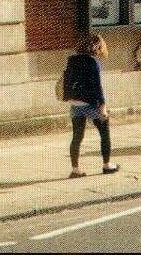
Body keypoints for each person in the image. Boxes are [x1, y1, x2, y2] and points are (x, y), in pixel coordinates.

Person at [60, 34, 117, 176]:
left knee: (77, 136)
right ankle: (107, 165)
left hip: (75, 103)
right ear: (97, 47)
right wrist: (102, 107)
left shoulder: (72, 59)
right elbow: (97, 87)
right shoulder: (93, 62)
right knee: (104, 132)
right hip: (90, 104)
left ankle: (75, 169)